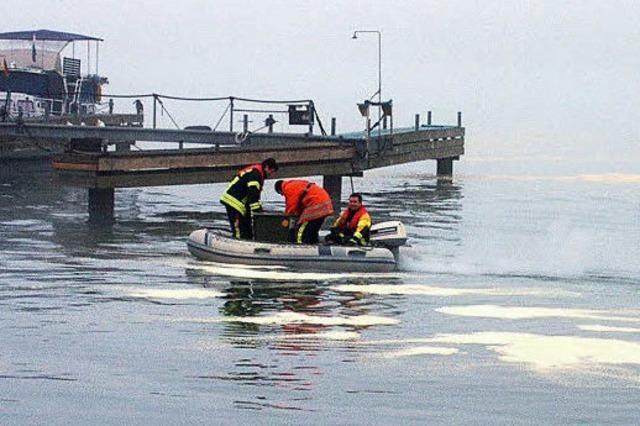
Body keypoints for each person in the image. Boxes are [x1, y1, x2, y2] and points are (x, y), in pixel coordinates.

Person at [220, 158, 278, 239]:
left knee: (247, 227)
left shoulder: (255, 171)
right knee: (238, 229)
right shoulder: (256, 175)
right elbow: (253, 195)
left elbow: (252, 197)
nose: (270, 174)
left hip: (241, 203)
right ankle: (238, 244)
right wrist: (258, 211)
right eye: (271, 171)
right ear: (266, 167)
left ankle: (248, 239)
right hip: (234, 203)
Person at [274, 179, 334, 244]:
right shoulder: (295, 183)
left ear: (280, 190)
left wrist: (285, 218)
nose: (283, 195)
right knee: (312, 229)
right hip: (325, 203)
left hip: (315, 204)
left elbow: (291, 206)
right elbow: (299, 204)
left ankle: (301, 245)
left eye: (281, 194)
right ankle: (313, 244)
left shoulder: (288, 188)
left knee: (302, 229)